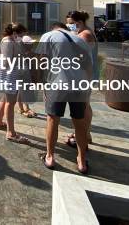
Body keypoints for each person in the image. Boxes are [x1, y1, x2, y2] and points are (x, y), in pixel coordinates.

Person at [36, 22, 93, 174]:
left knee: (52, 119)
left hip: (58, 83)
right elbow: (88, 66)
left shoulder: (48, 36)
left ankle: (50, 157)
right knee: (79, 123)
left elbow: (42, 62)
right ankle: (81, 161)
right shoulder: (80, 40)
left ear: (53, 28)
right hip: (80, 85)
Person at [65, 10, 99, 150]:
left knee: (83, 106)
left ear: (79, 22)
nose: (70, 27)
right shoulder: (84, 32)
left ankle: (83, 135)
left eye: (71, 24)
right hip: (85, 74)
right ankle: (86, 133)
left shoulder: (85, 35)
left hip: (83, 75)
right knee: (85, 104)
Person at [0, 23, 30, 143]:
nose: (23, 37)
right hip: (9, 75)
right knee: (10, 103)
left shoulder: (11, 40)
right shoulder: (8, 41)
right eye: (21, 34)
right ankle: (11, 132)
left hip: (9, 74)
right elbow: (6, 62)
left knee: (5, 99)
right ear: (15, 33)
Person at [16, 26, 38, 118]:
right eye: (30, 44)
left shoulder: (27, 51)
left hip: (24, 72)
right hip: (21, 72)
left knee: (24, 90)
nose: (32, 45)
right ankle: (21, 109)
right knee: (20, 91)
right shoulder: (22, 50)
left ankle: (26, 107)